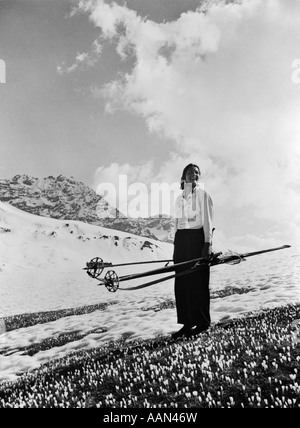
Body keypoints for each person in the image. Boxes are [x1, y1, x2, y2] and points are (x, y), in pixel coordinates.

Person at [172, 163, 214, 339]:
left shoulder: (203, 195)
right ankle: (187, 323)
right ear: (184, 176)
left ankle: (203, 322)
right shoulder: (179, 198)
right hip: (181, 240)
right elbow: (175, 223)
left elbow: (208, 221)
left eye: (197, 173)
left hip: (197, 239)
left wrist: (207, 243)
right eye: (190, 173)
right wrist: (176, 244)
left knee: (198, 281)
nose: (194, 175)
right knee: (181, 283)